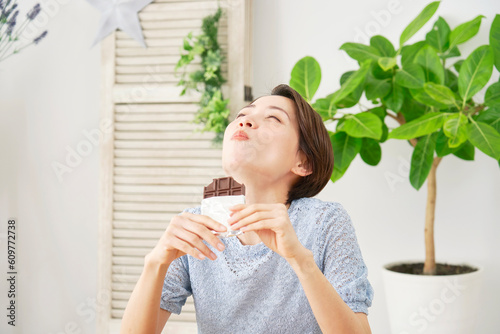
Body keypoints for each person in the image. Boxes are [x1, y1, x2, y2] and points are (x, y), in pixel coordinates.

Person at [120, 84, 374, 334]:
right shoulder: (197, 227)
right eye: (242, 115)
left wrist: (299, 259)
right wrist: (155, 263)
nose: (245, 121)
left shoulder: (324, 221)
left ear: (303, 161)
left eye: (273, 118)